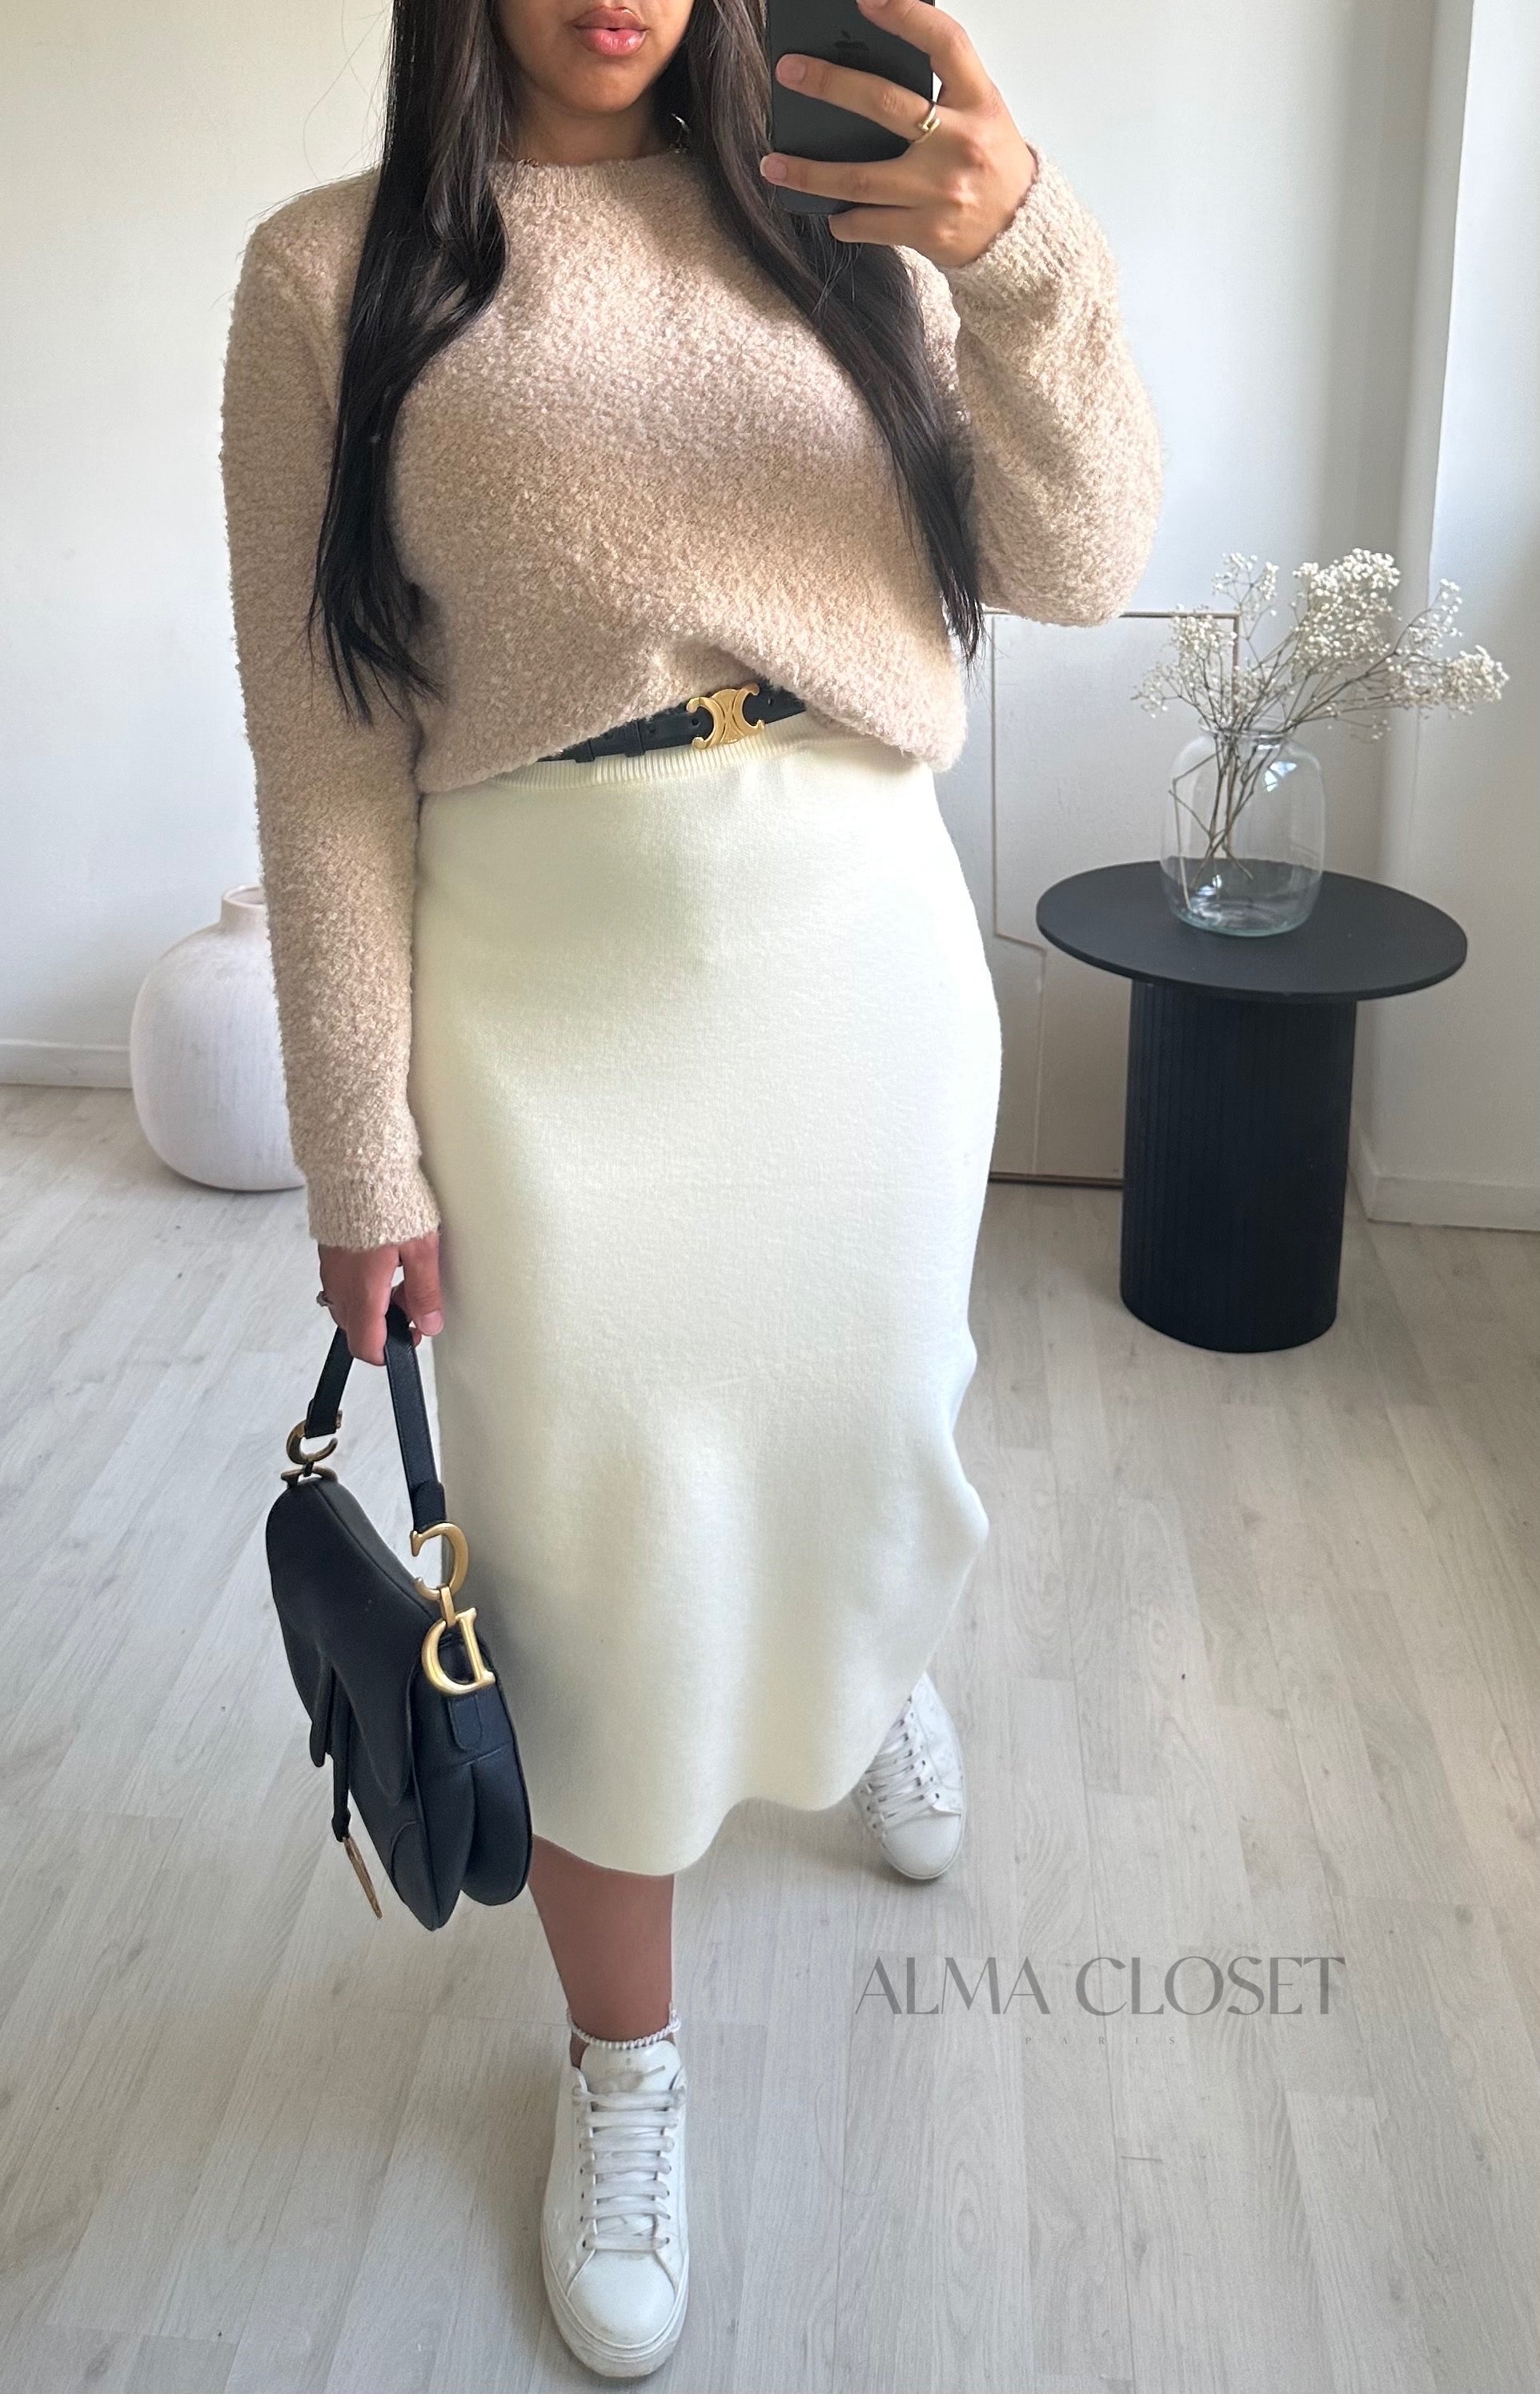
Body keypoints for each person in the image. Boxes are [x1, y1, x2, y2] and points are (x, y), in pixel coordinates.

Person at [219, 0, 1161, 2373]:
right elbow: (321, 752)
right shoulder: (332, 274)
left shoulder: (864, 224)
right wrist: (357, 1138)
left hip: (857, 957)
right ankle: (623, 2069)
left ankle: (868, 1664)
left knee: (868, 1416)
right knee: (581, 1556)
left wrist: (1025, 253)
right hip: (544, 998)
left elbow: (1081, 557)